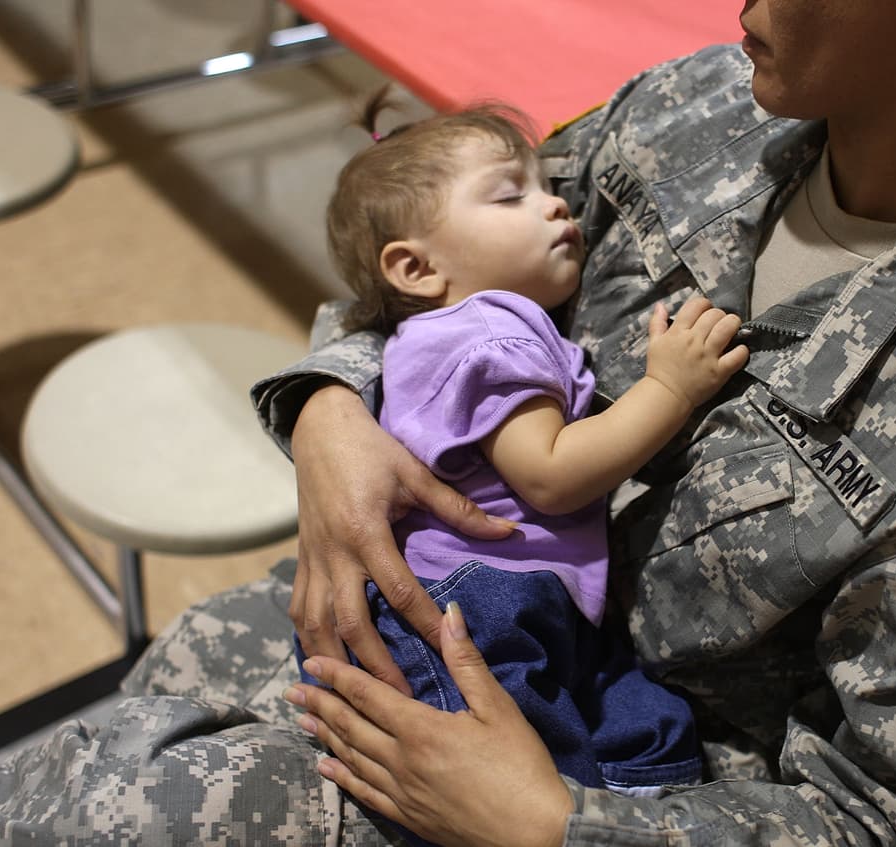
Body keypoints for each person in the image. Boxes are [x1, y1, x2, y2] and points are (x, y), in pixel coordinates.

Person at [0, 1, 896, 845]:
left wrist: (544, 823)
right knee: (95, 755)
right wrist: (325, 409)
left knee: (121, 812)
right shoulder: (704, 106)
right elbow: (433, 281)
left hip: (612, 773)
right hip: (419, 593)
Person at [298, 93, 749, 812]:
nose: (555, 207)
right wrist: (670, 386)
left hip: (509, 606)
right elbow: (551, 475)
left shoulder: (431, 340)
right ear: (415, 269)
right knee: (513, 781)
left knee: (650, 730)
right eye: (511, 196)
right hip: (472, 610)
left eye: (547, 187)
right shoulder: (490, 334)